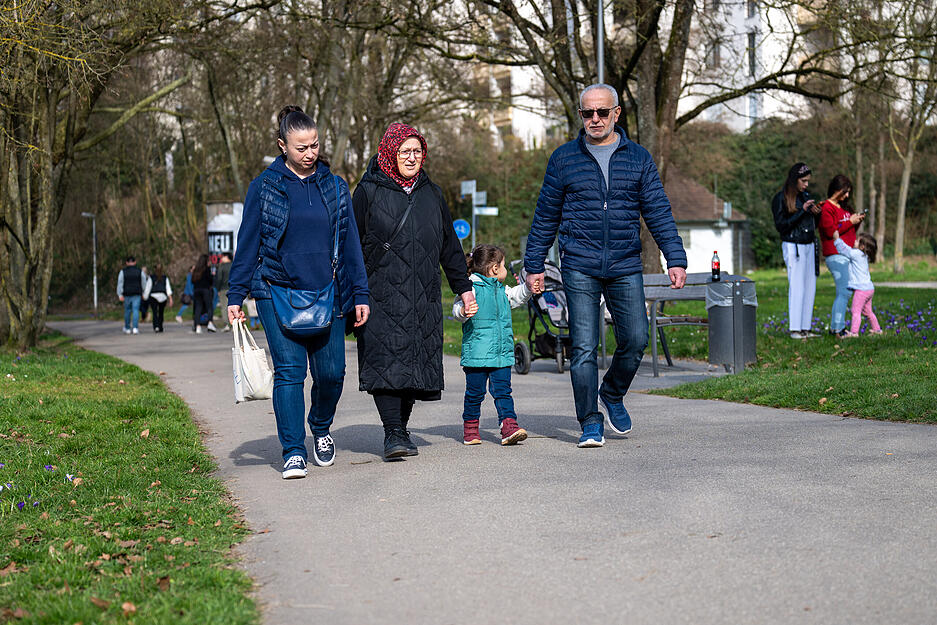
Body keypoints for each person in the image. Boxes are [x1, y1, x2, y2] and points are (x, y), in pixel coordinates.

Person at [524, 83, 687, 448]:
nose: (594, 119)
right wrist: (534, 265)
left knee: (636, 339)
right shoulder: (564, 159)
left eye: (601, 112)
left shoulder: (638, 158)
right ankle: (589, 420)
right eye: (587, 113)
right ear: (581, 115)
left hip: (624, 263)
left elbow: (658, 211)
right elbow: (546, 216)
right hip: (579, 263)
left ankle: (611, 392)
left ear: (616, 113)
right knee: (583, 347)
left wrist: (674, 258)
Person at [227, 105, 369, 479]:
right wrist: (236, 295)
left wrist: (361, 293)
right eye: (301, 147)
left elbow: (351, 244)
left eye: (315, 145)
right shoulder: (264, 187)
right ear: (282, 146)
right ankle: (292, 450)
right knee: (290, 372)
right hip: (275, 289)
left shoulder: (335, 187)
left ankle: (320, 427)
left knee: (332, 373)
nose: (310, 153)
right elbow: (248, 242)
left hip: (329, 291)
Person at [353, 122, 476, 460]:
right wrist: (353, 292)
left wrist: (463, 288)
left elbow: (449, 245)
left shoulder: (432, 194)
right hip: (379, 293)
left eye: (417, 151)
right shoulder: (367, 192)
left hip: (423, 293)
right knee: (386, 359)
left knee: (413, 362)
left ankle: (401, 429)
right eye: (404, 151)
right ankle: (393, 431)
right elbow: (350, 246)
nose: (411, 157)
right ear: (389, 152)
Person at [452, 245, 531, 446]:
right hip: (477, 357)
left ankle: (509, 427)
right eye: (503, 265)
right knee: (475, 394)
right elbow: (457, 308)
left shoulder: (501, 290)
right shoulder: (470, 288)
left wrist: (529, 287)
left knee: (503, 391)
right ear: (495, 268)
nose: (505, 270)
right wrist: (463, 311)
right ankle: (470, 429)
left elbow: (517, 295)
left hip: (501, 355)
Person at [771, 162, 821, 339]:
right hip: (793, 245)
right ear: (795, 180)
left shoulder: (805, 196)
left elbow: (813, 224)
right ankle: (795, 329)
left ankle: (805, 327)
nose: (806, 184)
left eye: (808, 181)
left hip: (808, 244)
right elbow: (781, 226)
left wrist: (817, 213)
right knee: (797, 286)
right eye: (803, 181)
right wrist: (802, 212)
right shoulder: (781, 198)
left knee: (810, 287)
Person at [819, 175, 865, 336]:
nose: (847, 196)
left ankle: (836, 327)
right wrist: (849, 222)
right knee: (845, 291)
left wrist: (856, 221)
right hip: (836, 254)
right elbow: (831, 231)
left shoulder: (845, 208)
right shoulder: (827, 208)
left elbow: (849, 231)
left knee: (845, 291)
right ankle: (837, 329)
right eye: (845, 192)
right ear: (836, 190)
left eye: (849, 192)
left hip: (848, 254)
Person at [832, 230, 881, 337]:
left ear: (862, 246)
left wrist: (837, 239)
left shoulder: (857, 254)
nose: (854, 241)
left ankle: (854, 332)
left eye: (857, 240)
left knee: (855, 311)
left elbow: (845, 250)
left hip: (861, 290)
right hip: (869, 288)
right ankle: (877, 330)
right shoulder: (864, 256)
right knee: (868, 312)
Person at [116, 256, 144, 335]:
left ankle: (127, 328)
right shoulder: (140, 271)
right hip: (137, 293)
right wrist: (143, 292)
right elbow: (143, 282)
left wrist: (119, 294)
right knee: (136, 310)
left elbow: (120, 283)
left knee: (127, 311)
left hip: (127, 294)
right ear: (135, 262)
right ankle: (135, 328)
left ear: (127, 263)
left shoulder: (123, 272)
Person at [143, 265, 173, 333]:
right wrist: (170, 298)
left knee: (155, 312)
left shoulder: (151, 278)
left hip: (153, 296)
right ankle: (160, 326)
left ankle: (156, 326)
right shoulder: (165, 278)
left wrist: (145, 297)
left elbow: (148, 288)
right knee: (161, 312)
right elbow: (168, 289)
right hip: (163, 297)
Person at [191, 254, 214, 334]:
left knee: (198, 308)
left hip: (197, 290)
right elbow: (210, 280)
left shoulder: (196, 270)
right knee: (209, 307)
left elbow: (192, 281)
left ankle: (197, 326)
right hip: (205, 290)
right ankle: (210, 323)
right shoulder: (207, 269)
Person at [214, 252, 232, 332]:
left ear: (226, 257)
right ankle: (234, 324)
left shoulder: (222, 266)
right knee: (233, 305)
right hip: (233, 288)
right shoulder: (233, 265)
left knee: (224, 307)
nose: (221, 258)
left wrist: (218, 289)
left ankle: (227, 325)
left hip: (223, 289)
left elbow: (219, 278)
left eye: (223, 256)